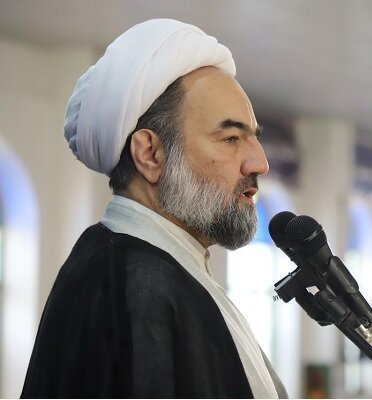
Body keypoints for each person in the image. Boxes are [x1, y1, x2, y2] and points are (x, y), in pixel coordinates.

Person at [21, 19, 286, 399]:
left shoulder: (154, 267)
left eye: (253, 138)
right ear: (150, 154)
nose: (260, 163)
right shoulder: (137, 285)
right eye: (230, 138)